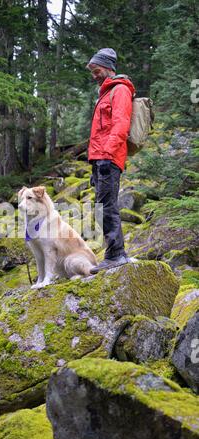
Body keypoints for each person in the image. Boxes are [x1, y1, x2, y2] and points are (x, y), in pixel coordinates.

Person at [86, 48, 136, 273]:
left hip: (109, 157)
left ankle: (116, 255)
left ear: (107, 68)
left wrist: (106, 154)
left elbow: (121, 125)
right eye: (92, 72)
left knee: (107, 206)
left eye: (96, 70)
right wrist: (95, 163)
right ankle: (115, 253)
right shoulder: (105, 93)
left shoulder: (120, 90)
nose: (94, 75)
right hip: (100, 159)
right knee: (102, 206)